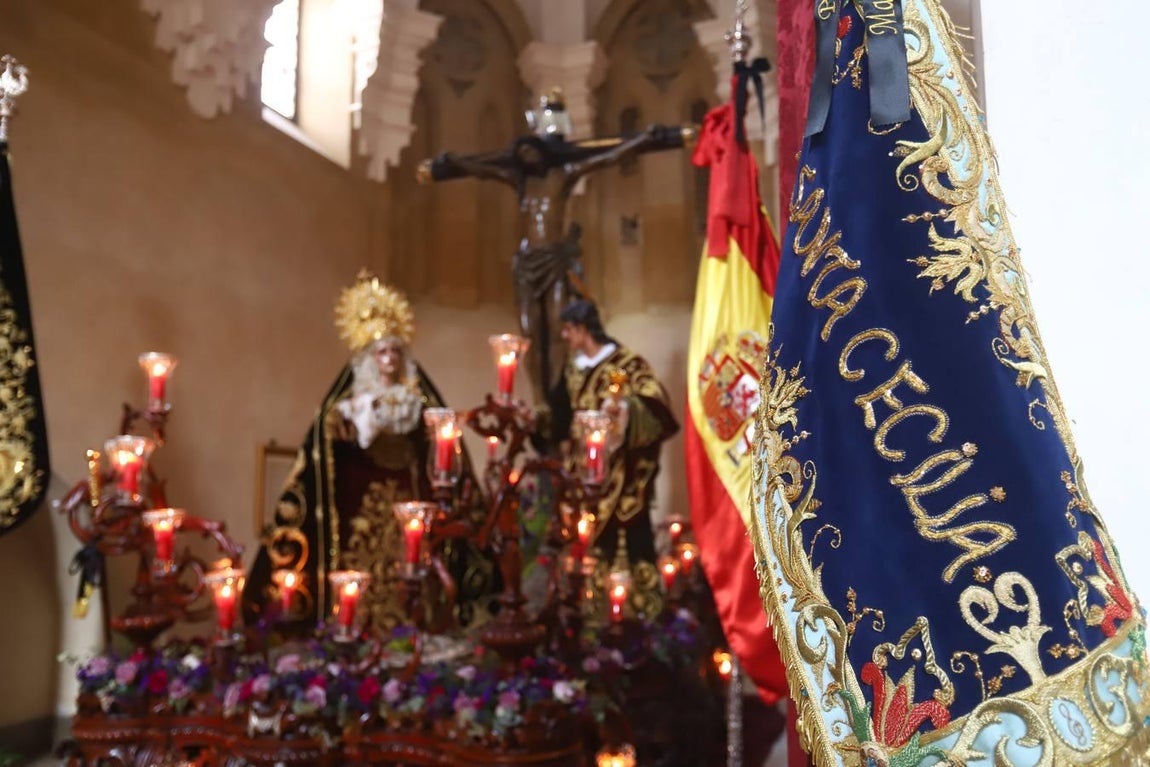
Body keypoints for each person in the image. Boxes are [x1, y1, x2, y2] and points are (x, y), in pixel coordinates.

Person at [243, 272, 491, 631]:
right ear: (368, 358)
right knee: (361, 577)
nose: (389, 358)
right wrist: (332, 430)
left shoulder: (418, 403)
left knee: (410, 578)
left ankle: (417, 631)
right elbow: (320, 456)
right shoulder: (349, 407)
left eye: (395, 351)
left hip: (409, 515)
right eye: (381, 352)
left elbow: (441, 450)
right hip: (357, 511)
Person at [547, 300, 679, 565]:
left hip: (620, 475)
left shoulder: (628, 365)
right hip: (580, 472)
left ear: (583, 330)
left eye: (568, 330)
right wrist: (533, 418)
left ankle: (630, 599)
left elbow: (657, 407)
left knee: (624, 545)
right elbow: (558, 416)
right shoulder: (573, 369)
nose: (564, 336)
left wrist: (625, 412)